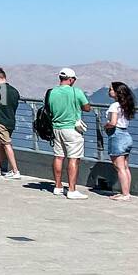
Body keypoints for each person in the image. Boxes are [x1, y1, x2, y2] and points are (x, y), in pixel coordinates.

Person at [47, 68, 91, 198]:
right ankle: (71, 189)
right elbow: (87, 107)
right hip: (72, 128)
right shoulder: (76, 92)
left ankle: (58, 186)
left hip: (56, 127)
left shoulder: (52, 92)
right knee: (73, 158)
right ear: (71, 79)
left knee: (58, 157)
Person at [105, 81, 136, 200]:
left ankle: (125, 194)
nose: (109, 91)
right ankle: (127, 191)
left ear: (117, 92)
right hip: (126, 135)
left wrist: (106, 126)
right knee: (125, 166)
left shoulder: (114, 106)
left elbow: (113, 122)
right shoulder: (126, 105)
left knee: (119, 167)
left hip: (117, 135)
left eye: (111, 89)